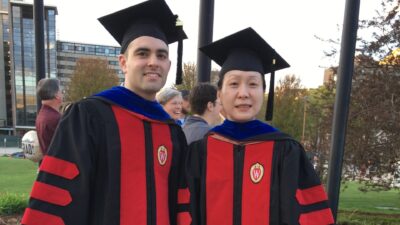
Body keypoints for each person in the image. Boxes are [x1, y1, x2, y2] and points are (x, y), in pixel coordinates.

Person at [21, 1, 190, 225]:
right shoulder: (89, 117)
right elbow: (55, 199)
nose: (153, 62)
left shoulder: (172, 132)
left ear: (169, 65)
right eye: (142, 53)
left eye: (161, 55)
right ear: (123, 63)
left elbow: (181, 206)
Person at [186, 28, 334, 225]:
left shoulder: (286, 150)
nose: (244, 93)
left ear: (264, 91)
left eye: (253, 84)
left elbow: (310, 215)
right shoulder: (200, 152)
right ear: (219, 94)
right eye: (234, 84)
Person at [35, 78, 62, 164]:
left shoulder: (41, 115)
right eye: (61, 91)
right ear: (57, 95)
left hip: (48, 167)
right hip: (58, 170)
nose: (62, 94)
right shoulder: (56, 119)